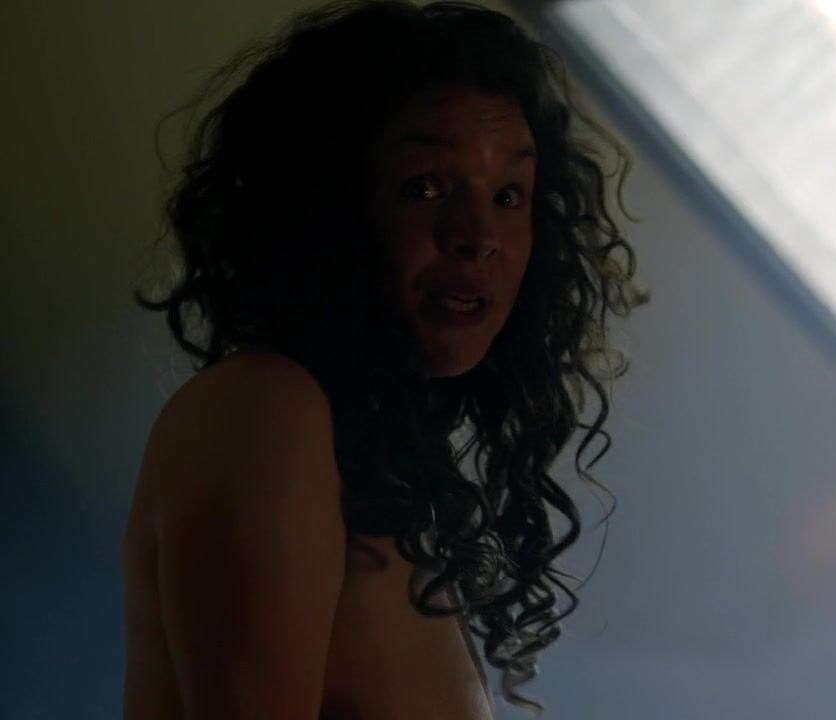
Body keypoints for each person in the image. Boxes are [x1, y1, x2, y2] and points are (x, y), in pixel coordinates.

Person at [120, 1, 648, 717]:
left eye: (508, 195)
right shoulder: (266, 408)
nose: (479, 235)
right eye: (424, 187)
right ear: (327, 205)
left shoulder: (376, 486)